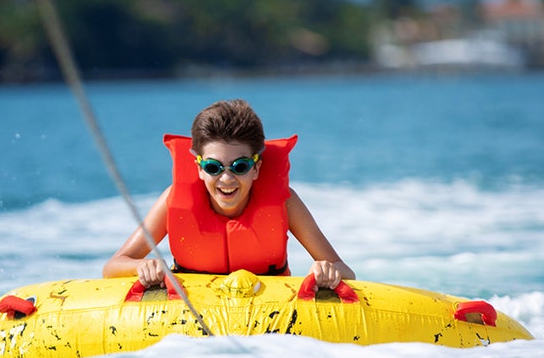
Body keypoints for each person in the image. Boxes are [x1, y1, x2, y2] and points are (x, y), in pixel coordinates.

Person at [103, 99, 355, 290]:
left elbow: (346, 271)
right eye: (213, 167)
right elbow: (113, 266)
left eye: (240, 166)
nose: (226, 179)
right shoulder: (172, 201)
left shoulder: (285, 202)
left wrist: (327, 270)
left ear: (256, 168)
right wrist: (143, 266)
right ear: (199, 168)